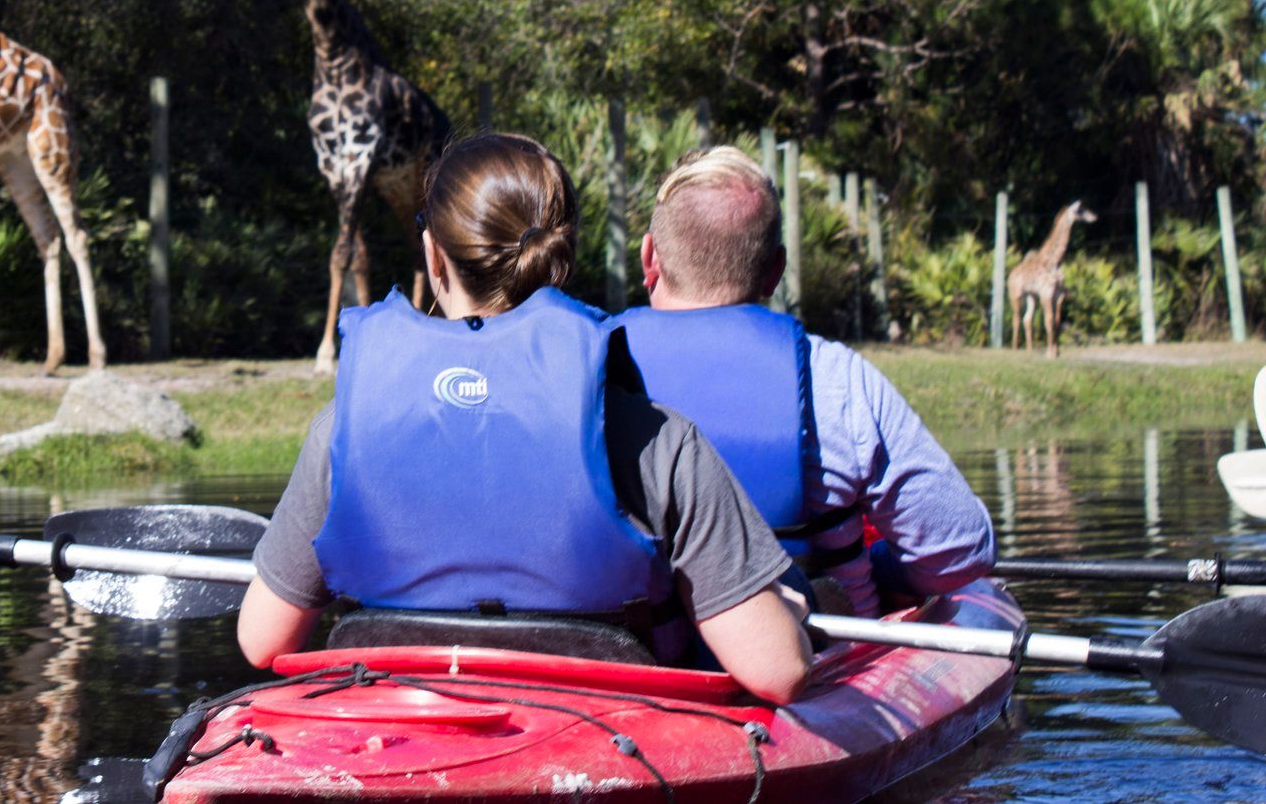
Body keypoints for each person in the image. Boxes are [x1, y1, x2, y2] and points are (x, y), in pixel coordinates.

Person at [238, 134, 813, 703]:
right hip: (610, 744)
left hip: (403, 731)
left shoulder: (342, 433)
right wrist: (790, 610)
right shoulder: (659, 442)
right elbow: (778, 670)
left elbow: (262, 640)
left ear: (433, 254)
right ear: (563, 254)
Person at [619, 145, 996, 617]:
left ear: (649, 257)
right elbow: (961, 551)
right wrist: (883, 568)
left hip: (639, 657)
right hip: (817, 653)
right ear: (776, 270)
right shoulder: (838, 381)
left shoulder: (590, 373)